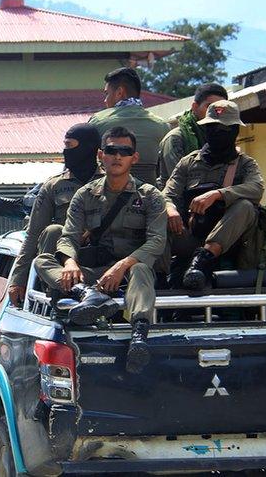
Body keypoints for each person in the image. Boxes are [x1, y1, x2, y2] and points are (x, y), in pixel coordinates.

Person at [34, 126, 167, 374]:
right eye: (111, 150)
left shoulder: (150, 195)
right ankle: (86, 295)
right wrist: (70, 262)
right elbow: (69, 235)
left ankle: (139, 335)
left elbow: (157, 241)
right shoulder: (85, 195)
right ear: (100, 155)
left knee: (140, 269)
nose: (117, 156)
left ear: (134, 158)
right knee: (42, 261)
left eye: (125, 151)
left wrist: (122, 266)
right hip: (95, 272)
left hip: (131, 271)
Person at [162, 100, 264, 292]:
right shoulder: (189, 162)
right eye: (212, 127)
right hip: (190, 234)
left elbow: (256, 188)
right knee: (155, 215)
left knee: (246, 206)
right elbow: (168, 193)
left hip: (229, 242)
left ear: (235, 131)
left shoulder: (245, 164)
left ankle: (202, 261)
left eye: (224, 129)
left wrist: (218, 194)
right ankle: (155, 275)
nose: (217, 133)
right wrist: (170, 209)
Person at [6, 123, 102, 306]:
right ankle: (63, 292)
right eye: (65, 145)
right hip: (60, 262)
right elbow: (33, 234)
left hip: (99, 259)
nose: (66, 151)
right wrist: (18, 280)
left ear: (89, 148)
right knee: (53, 230)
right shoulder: (53, 186)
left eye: (70, 145)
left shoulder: (111, 182)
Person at [88, 67, 170, 186]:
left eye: (107, 94)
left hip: (107, 197)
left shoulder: (98, 121)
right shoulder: (162, 125)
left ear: (119, 92)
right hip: (149, 198)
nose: (105, 100)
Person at [157, 83, 229, 189]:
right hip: (176, 199)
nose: (214, 113)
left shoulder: (222, 137)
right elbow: (179, 179)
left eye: (220, 109)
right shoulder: (176, 138)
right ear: (195, 107)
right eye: (209, 107)